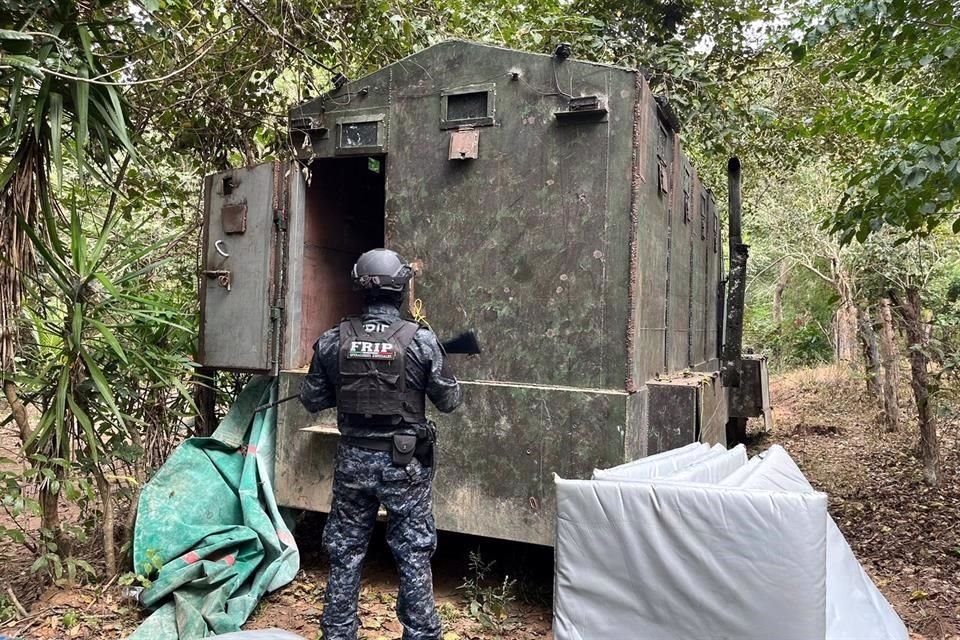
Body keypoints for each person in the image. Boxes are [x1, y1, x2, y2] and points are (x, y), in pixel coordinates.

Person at [299, 248, 463, 640]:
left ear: (359, 286)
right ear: (402, 288)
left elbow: (311, 400)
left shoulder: (332, 341)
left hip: (354, 461)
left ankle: (338, 633)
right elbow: (449, 401)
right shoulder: (421, 340)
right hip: (404, 463)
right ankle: (422, 633)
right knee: (413, 550)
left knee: (345, 549)